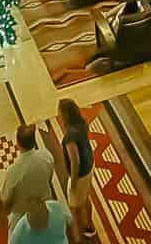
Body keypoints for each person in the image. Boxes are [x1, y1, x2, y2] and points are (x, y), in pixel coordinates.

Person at [0, 124, 55, 229]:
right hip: (45, 205)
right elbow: (49, 178)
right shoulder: (46, 155)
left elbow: (6, 200)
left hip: (22, 214)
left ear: (18, 144)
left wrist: (6, 211)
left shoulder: (13, 171)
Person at [57, 98, 94, 241]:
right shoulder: (82, 123)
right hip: (90, 164)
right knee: (85, 196)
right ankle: (89, 224)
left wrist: (73, 182)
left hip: (81, 173)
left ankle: (78, 237)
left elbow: (75, 161)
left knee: (75, 205)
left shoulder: (69, 137)